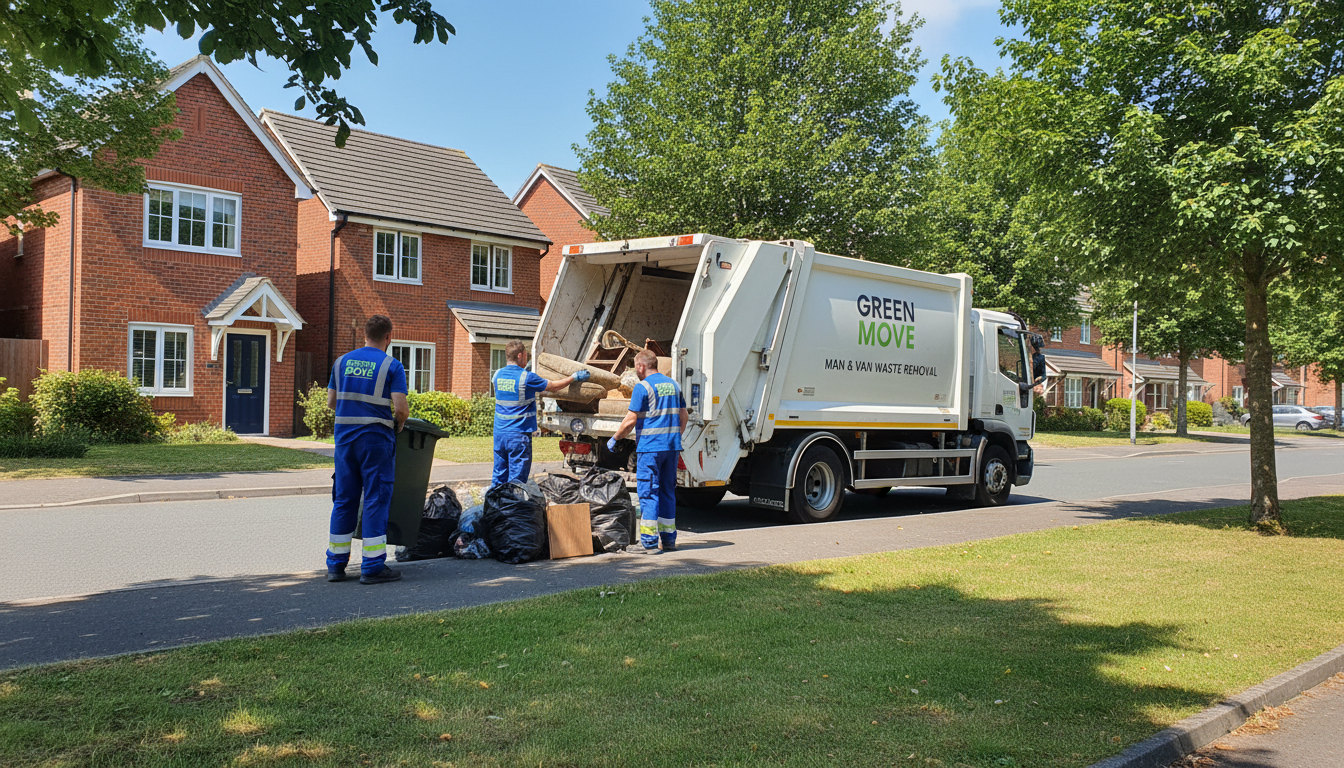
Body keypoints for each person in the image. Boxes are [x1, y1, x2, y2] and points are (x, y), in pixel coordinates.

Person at [325, 315, 409, 585]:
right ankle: (372, 567)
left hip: (345, 440)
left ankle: (336, 566)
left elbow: (330, 402)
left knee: (344, 499)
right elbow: (401, 408)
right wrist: (399, 425)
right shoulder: (391, 365)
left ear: (365, 334)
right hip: (375, 439)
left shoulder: (341, 363)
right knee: (375, 498)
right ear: (389, 337)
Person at [608, 349, 687, 553]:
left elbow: (630, 420)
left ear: (641, 366)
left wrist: (616, 438)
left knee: (648, 492)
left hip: (651, 448)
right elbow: (683, 415)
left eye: (636, 367)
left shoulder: (642, 387)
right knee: (667, 492)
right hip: (672, 447)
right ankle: (668, 540)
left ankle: (649, 543)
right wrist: (675, 435)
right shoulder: (674, 385)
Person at [491, 340, 590, 486]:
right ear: (520, 355)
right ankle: (513, 506)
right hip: (518, 435)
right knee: (516, 480)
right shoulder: (526, 377)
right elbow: (553, 387)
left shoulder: (497, 375)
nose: (527, 358)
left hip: (500, 433)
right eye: (526, 355)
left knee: (499, 474)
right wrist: (573, 378)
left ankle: (495, 505)